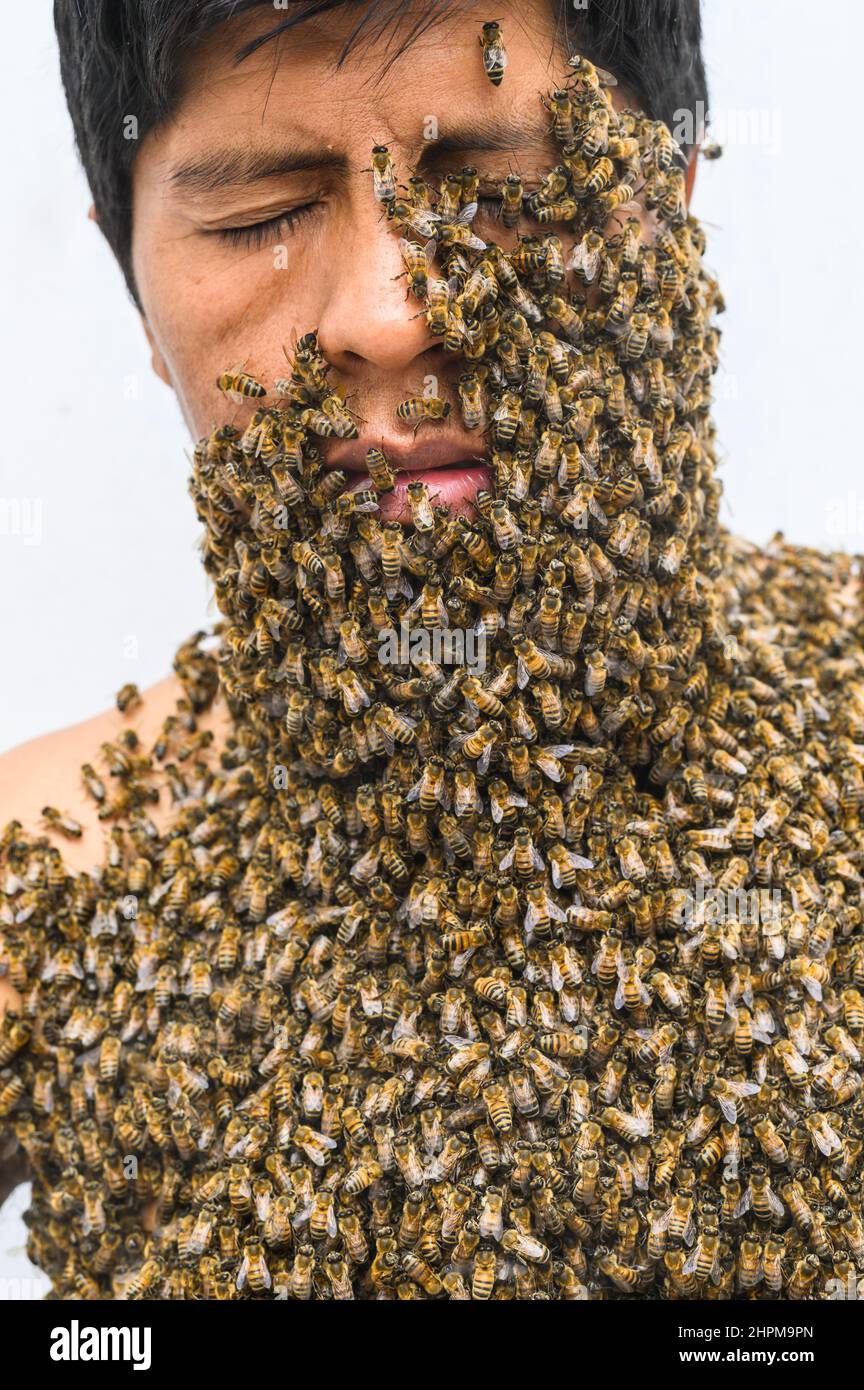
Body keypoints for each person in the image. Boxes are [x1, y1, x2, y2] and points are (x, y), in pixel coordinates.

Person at [10, 0, 836, 1302]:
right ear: (131, 268)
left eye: (502, 190)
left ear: (673, 190)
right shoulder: (42, 877)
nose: (391, 315)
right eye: (258, 217)